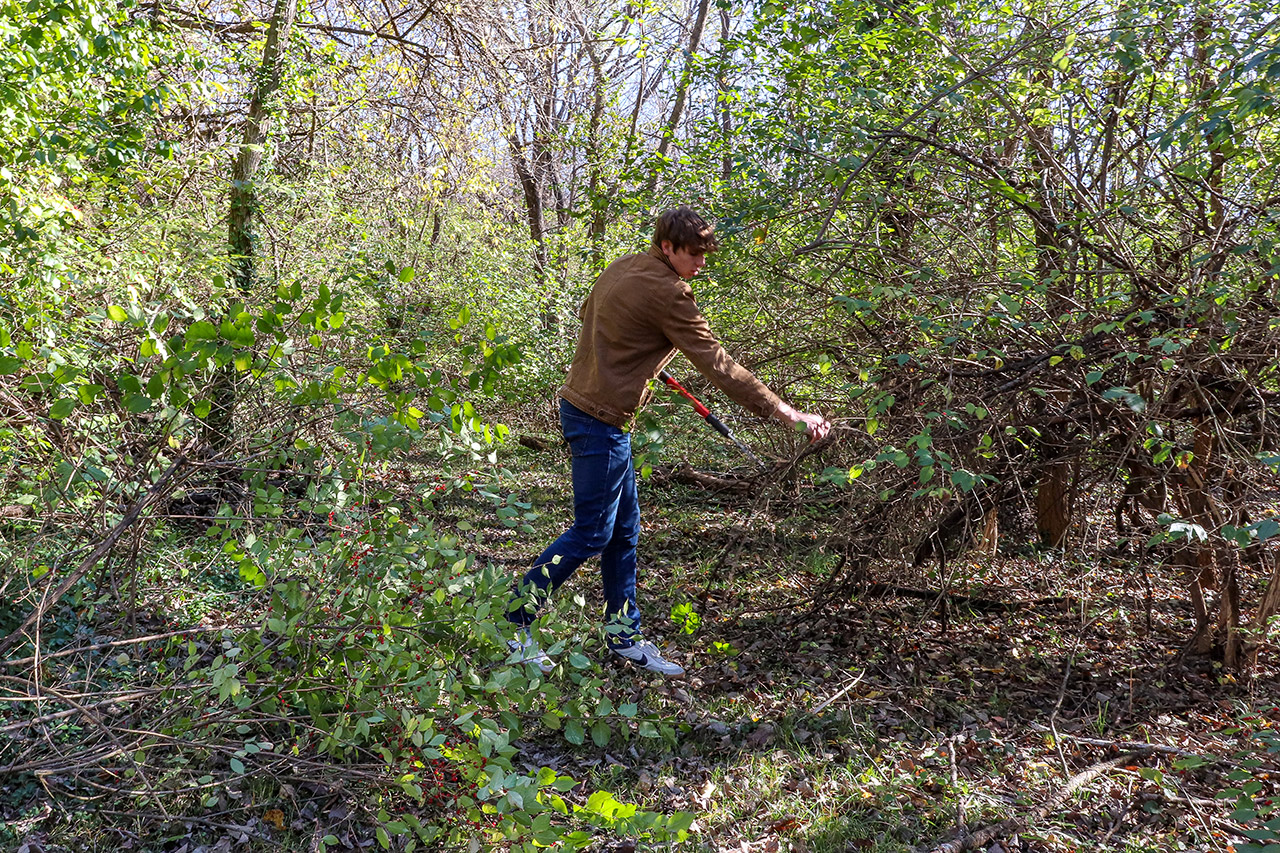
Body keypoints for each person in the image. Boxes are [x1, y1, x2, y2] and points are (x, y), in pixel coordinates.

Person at [506, 206, 830, 676]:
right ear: (667, 247)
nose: (699, 263)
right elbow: (717, 364)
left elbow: (594, 315)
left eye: (704, 255)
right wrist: (785, 412)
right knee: (594, 531)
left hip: (593, 411)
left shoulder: (623, 266)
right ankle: (515, 621)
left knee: (623, 531)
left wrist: (644, 352)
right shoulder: (670, 293)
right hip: (599, 419)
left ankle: (623, 634)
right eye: (692, 254)